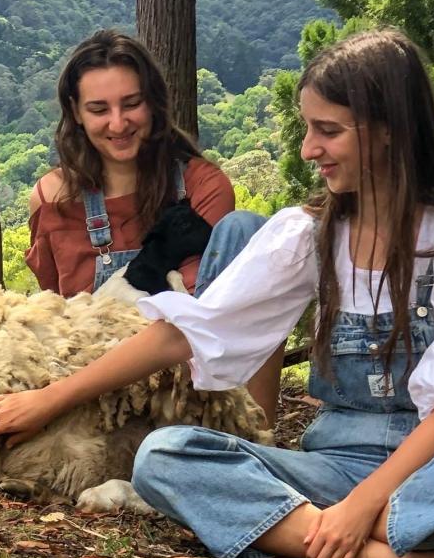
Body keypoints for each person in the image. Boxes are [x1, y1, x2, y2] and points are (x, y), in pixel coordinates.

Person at [0, 29, 434, 558]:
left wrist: (359, 508)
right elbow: (190, 332)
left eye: (327, 131)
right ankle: (384, 556)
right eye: (307, 128)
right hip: (329, 468)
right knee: (164, 455)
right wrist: (47, 400)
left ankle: (305, 531)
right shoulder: (308, 233)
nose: (308, 149)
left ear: (388, 130)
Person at [28, 29, 282, 422]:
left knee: (249, 233)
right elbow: (57, 314)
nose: (117, 123)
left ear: (153, 104)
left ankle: (250, 440)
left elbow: (199, 324)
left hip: (189, 387)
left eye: (131, 104)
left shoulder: (201, 185)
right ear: (75, 112)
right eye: (98, 109)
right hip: (94, 392)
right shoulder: (52, 198)